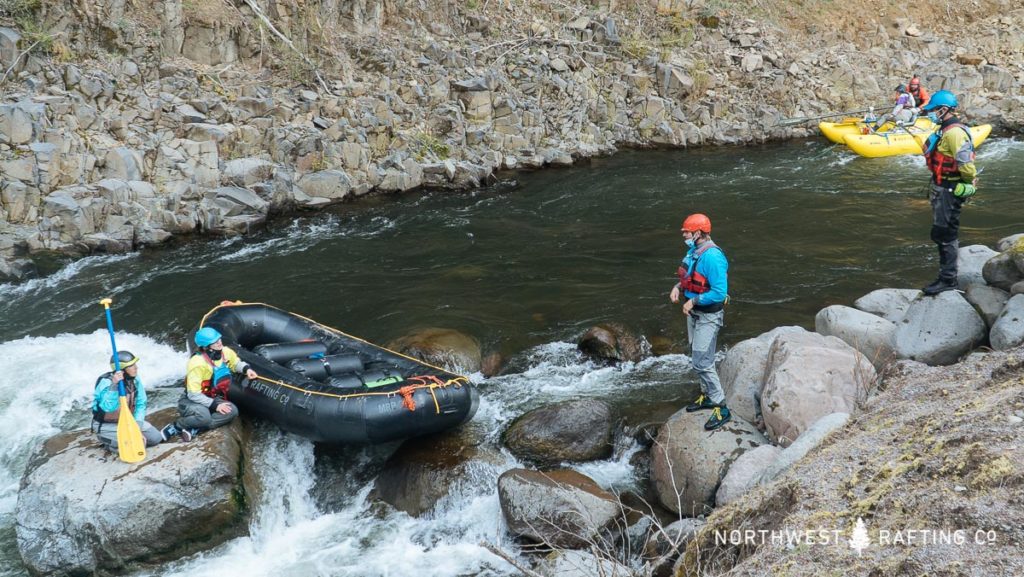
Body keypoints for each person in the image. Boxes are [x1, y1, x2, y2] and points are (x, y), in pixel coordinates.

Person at [669, 213, 731, 430]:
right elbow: (689, 278)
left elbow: (719, 292)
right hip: (695, 314)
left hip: (708, 316)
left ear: (698, 233)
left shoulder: (713, 257)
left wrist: (693, 300)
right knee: (696, 354)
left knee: (702, 361)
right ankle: (706, 396)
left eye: (686, 232)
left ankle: (721, 407)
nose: (684, 235)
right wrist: (678, 288)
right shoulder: (694, 251)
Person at [919, 89, 978, 295]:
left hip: (949, 190)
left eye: (933, 110)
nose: (930, 114)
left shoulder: (954, 133)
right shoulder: (944, 130)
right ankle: (946, 276)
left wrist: (970, 182)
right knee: (940, 231)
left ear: (944, 110)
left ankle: (948, 279)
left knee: (945, 233)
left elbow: (965, 164)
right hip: (941, 187)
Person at [161, 327, 257, 441]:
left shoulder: (225, 352)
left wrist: (246, 370)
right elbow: (193, 394)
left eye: (219, 339)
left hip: (212, 397)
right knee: (204, 417)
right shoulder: (197, 363)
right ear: (207, 347)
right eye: (215, 342)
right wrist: (216, 405)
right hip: (191, 400)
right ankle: (177, 426)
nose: (219, 343)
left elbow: (235, 363)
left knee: (232, 411)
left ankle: (196, 429)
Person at [92, 351, 164, 450]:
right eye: (131, 365)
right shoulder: (105, 383)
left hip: (128, 421)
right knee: (133, 445)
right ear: (122, 370)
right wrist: (114, 386)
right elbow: (108, 408)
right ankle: (106, 440)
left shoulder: (135, 380)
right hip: (106, 424)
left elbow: (140, 404)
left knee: (156, 438)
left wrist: (137, 426)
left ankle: (124, 440)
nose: (136, 367)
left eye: (135, 364)